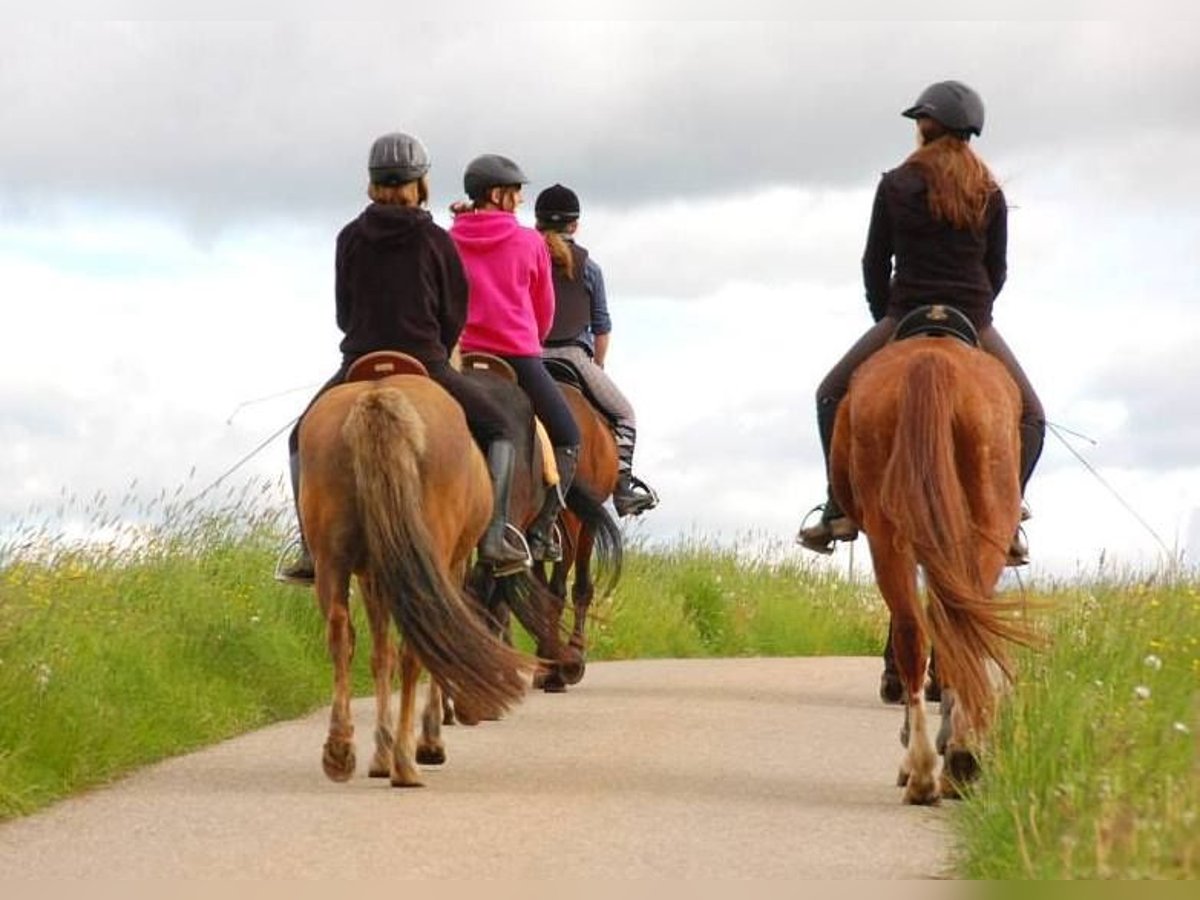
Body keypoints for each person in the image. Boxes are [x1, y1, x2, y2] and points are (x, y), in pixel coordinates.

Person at [796, 80, 1045, 566]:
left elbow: (874, 263)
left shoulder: (895, 183)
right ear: (970, 132)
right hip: (972, 318)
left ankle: (838, 506)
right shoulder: (989, 191)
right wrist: (975, 318)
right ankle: (1008, 514)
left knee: (829, 393)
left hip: (902, 314)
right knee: (1033, 415)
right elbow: (997, 270)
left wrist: (887, 320)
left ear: (925, 128)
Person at [277, 132, 531, 585]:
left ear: (373, 182)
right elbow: (455, 313)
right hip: (425, 362)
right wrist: (435, 349)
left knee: (299, 437)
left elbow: (343, 311)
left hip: (359, 361)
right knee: (501, 429)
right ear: (420, 183)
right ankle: (494, 540)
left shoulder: (349, 237)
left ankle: (310, 549)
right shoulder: (436, 239)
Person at [449, 154, 581, 563]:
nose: (521, 200)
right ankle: (540, 531)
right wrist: (530, 338)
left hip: (461, 356)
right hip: (517, 356)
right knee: (568, 435)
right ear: (497, 194)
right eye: (516, 193)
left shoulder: (449, 238)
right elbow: (544, 310)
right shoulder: (529, 243)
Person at [534, 183, 659, 517]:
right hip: (573, 357)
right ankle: (622, 489)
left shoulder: (526, 257)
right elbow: (601, 329)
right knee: (624, 415)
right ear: (574, 225)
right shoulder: (590, 269)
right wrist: (597, 366)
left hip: (528, 357)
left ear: (537, 223)